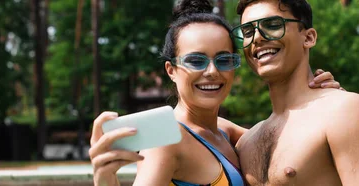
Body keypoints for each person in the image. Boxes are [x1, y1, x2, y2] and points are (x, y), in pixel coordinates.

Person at [87, 0, 341, 185]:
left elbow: (298, 142)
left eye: (223, 60)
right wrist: (104, 179)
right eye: (196, 61)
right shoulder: (167, 141)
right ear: (171, 70)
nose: (211, 72)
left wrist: (320, 97)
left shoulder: (226, 132)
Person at [231, 0, 359, 185]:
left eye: (273, 25)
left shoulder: (346, 112)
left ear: (308, 38)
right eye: (247, 32)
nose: (257, 38)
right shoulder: (246, 143)